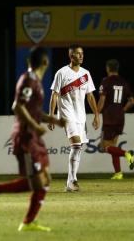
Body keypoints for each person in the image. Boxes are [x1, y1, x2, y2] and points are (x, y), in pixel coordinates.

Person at [0, 48, 65, 232]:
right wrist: (35, 126)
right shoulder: (28, 80)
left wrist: (54, 120)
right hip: (26, 137)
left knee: (46, 180)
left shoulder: (36, 82)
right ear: (45, 62)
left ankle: (28, 222)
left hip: (34, 137)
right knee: (36, 182)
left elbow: (34, 111)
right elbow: (17, 106)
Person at [48, 44, 99, 192]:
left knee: (78, 148)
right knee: (76, 145)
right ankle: (73, 181)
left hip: (80, 116)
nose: (81, 56)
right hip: (66, 114)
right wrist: (51, 115)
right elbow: (54, 94)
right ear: (71, 56)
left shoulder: (86, 74)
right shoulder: (62, 73)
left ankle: (70, 182)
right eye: (78, 54)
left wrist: (96, 114)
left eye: (82, 53)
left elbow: (90, 96)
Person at [97, 59, 134, 180]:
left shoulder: (105, 81)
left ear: (108, 68)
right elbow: (132, 101)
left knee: (104, 147)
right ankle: (118, 173)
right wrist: (122, 110)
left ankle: (127, 154)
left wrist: (96, 114)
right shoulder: (124, 82)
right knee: (113, 146)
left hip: (109, 117)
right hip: (120, 117)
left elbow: (102, 100)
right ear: (117, 68)